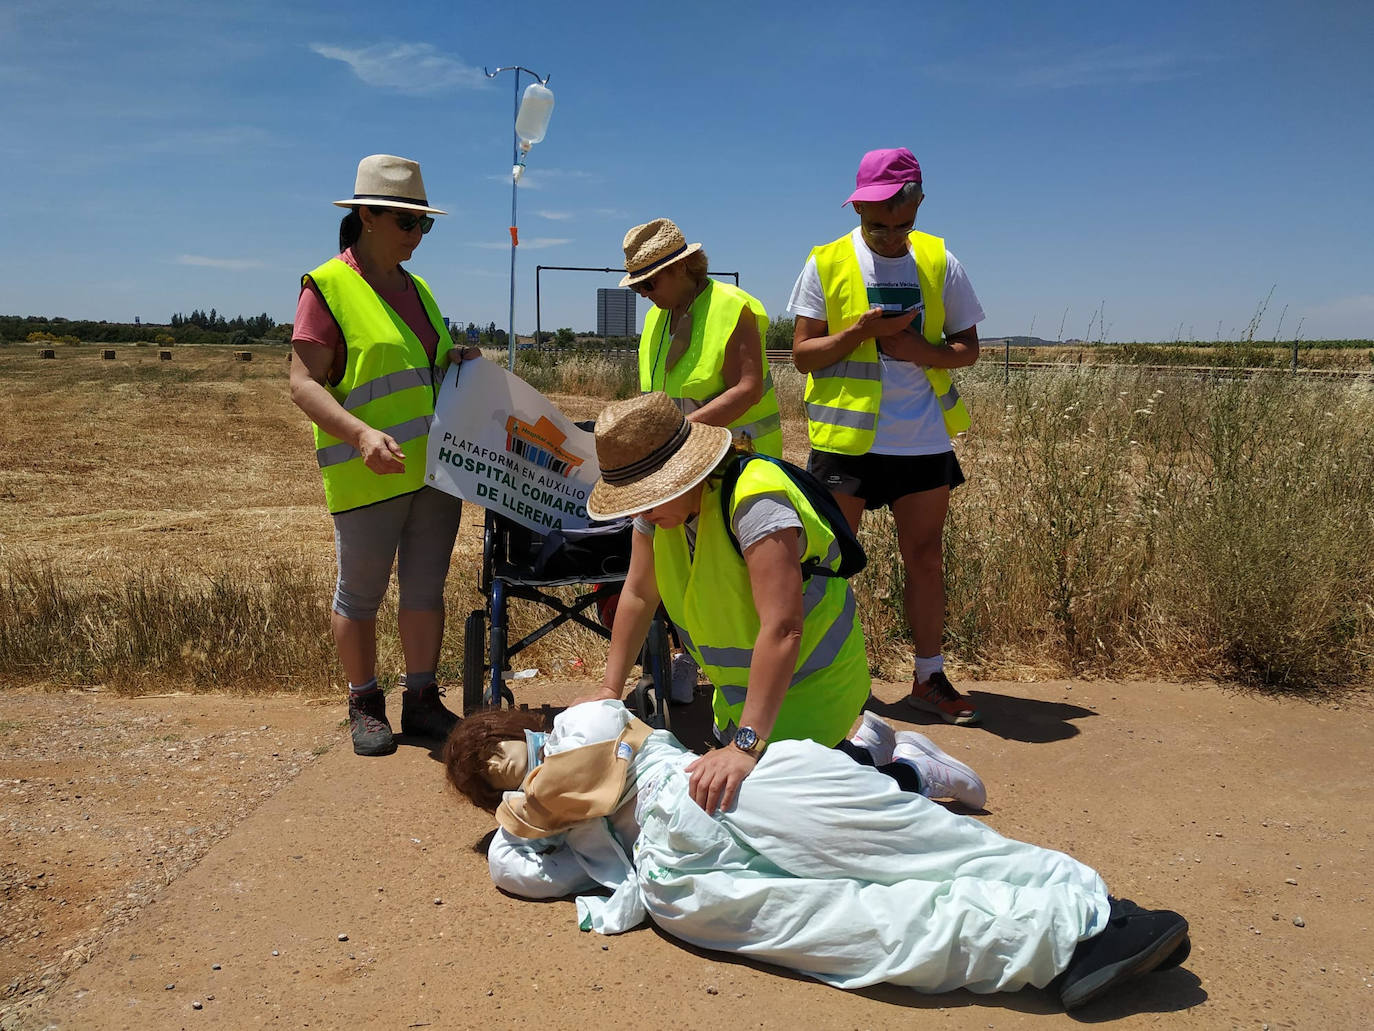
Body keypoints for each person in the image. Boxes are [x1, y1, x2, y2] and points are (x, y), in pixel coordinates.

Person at [442, 701, 1191, 1012]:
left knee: (922, 844)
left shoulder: (584, 718)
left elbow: (599, 766)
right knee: (865, 925)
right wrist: (525, 826)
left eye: (505, 751)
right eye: (495, 777)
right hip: (680, 880)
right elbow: (529, 868)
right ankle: (1062, 946)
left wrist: (536, 805)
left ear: (521, 724)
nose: (512, 768)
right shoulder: (530, 830)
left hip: (721, 788)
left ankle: (1099, 908)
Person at [577, 391, 982, 814]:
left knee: (782, 806)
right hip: (745, 694)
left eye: (645, 497)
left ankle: (915, 771)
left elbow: (783, 626)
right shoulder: (657, 513)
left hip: (813, 682)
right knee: (732, 800)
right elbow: (641, 593)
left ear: (685, 475)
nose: (635, 513)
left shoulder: (756, 500)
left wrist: (745, 745)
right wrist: (609, 689)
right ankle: (862, 749)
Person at [289, 154, 480, 756]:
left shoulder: (418, 288)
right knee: (361, 593)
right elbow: (303, 383)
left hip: (433, 472)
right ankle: (364, 702)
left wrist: (455, 361)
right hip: (366, 475)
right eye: (407, 223)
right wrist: (361, 435)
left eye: (424, 225)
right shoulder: (327, 287)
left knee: (426, 590)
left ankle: (421, 699)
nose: (417, 236)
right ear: (367, 216)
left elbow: (418, 364)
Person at [788, 147, 983, 726]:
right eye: (879, 226)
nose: (893, 237)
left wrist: (921, 352)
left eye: (905, 223)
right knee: (828, 563)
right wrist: (859, 333)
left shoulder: (941, 259)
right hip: (847, 443)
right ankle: (832, 681)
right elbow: (802, 354)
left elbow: (967, 349)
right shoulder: (825, 262)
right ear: (858, 208)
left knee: (924, 558)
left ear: (919, 204)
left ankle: (930, 676)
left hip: (922, 440)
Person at [621, 218, 783, 703]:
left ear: (684, 268)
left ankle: (759, 688)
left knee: (733, 580)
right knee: (680, 574)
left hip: (735, 469)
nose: (645, 293)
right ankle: (694, 661)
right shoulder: (657, 318)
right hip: (675, 473)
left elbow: (747, 387)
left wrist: (678, 436)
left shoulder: (733, 307)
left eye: (651, 282)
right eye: (639, 286)